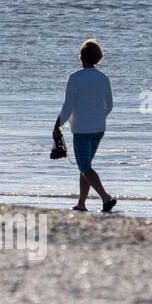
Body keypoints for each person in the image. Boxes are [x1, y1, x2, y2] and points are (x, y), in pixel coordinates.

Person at [53, 38, 115, 212]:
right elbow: (109, 106)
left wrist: (57, 124)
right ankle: (81, 203)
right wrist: (97, 118)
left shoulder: (75, 78)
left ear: (81, 57)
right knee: (85, 167)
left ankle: (106, 198)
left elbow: (68, 106)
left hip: (82, 130)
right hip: (99, 128)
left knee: (85, 167)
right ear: (98, 58)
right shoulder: (104, 78)